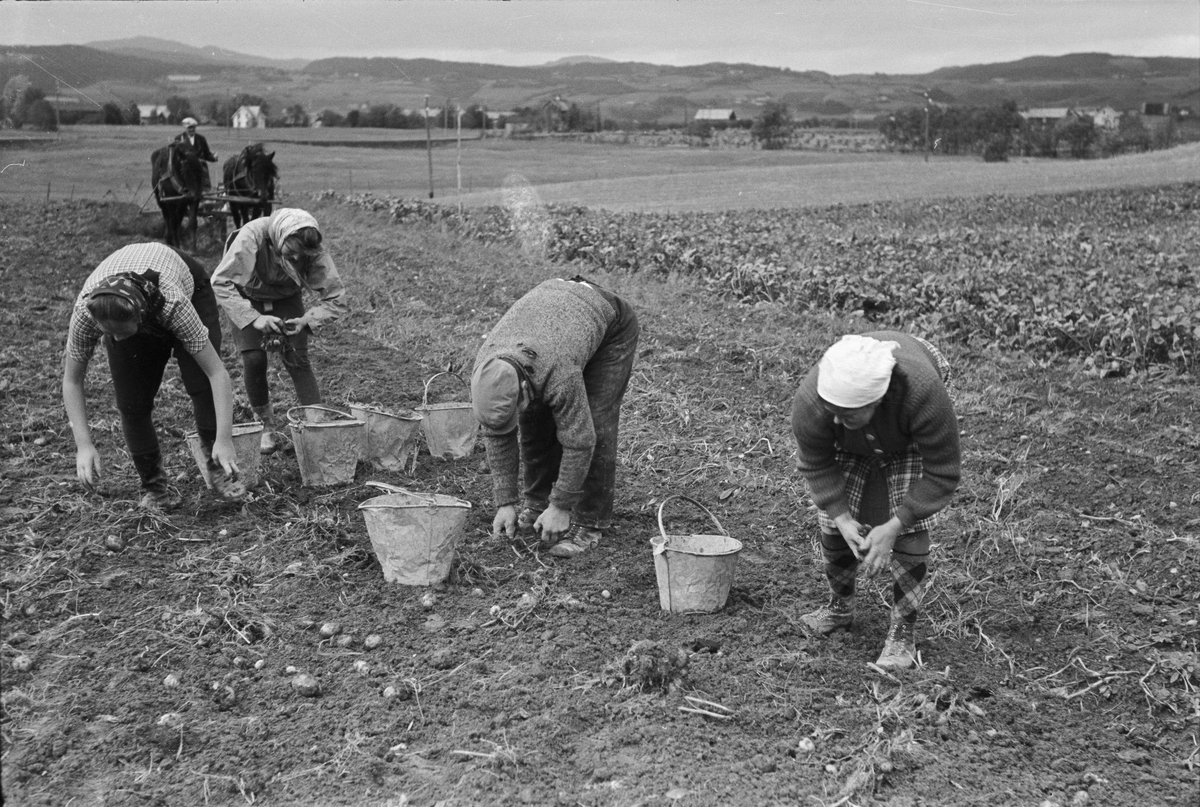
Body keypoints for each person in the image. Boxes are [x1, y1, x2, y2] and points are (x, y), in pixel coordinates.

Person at [791, 332, 960, 670]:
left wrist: (895, 526)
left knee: (911, 528)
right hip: (857, 436)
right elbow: (816, 463)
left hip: (906, 432)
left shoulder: (922, 394)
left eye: (848, 413)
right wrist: (842, 518)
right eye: (832, 412)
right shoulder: (814, 401)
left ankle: (902, 634)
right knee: (834, 521)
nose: (836, 421)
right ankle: (840, 608)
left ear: (877, 400)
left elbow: (942, 472)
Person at [62, 243, 243, 511]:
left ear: (141, 316)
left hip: (188, 286)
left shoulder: (173, 304)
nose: (114, 340)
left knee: (200, 382)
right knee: (132, 401)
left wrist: (225, 439)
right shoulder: (87, 312)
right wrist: (84, 444)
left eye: (121, 332)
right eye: (107, 333)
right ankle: (155, 487)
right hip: (129, 300)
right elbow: (72, 381)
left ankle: (218, 468)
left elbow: (217, 373)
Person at [471, 276, 639, 558]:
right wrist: (505, 502)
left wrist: (561, 505)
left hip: (609, 322)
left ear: (523, 387)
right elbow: (497, 432)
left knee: (595, 421)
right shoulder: (487, 370)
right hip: (555, 316)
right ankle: (537, 505)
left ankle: (589, 524)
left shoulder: (559, 373)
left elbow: (580, 441)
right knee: (533, 417)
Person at [210, 208, 348, 454]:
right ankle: (265, 426)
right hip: (247, 298)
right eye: (290, 253)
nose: (295, 260)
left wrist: (307, 319)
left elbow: (336, 297)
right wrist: (254, 318)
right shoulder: (253, 236)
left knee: (298, 359)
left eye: (300, 257)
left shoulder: (313, 247)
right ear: (279, 238)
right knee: (253, 358)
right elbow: (221, 281)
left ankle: (317, 426)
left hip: (286, 298)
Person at [175, 117, 218, 192]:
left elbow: (207, 154)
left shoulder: (201, 139)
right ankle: (184, 188)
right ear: (185, 128)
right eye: (189, 127)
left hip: (200, 165)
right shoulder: (179, 139)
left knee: (203, 169)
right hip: (185, 166)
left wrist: (213, 157)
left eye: (193, 127)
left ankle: (206, 189)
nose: (192, 129)